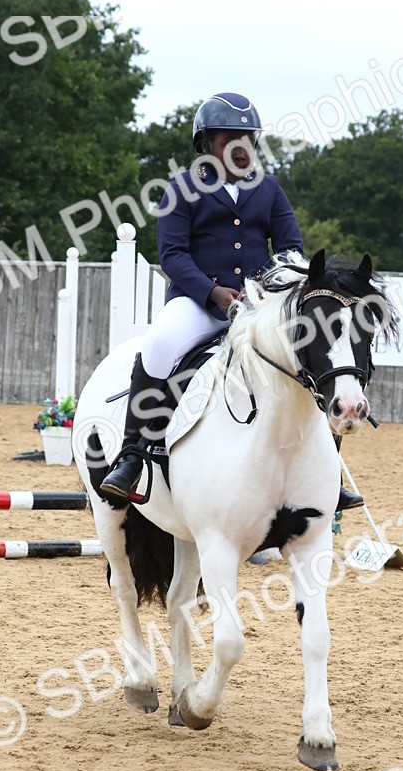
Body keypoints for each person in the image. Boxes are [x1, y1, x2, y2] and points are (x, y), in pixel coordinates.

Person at [100, 91, 363, 511]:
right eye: (229, 140)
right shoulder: (182, 187)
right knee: (160, 345)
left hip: (260, 306)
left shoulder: (270, 188)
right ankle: (134, 454)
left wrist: (274, 287)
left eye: (248, 139)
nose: (241, 149)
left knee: (308, 357)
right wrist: (214, 293)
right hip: (199, 302)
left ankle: (326, 462)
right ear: (206, 144)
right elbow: (173, 255)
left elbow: (291, 247)